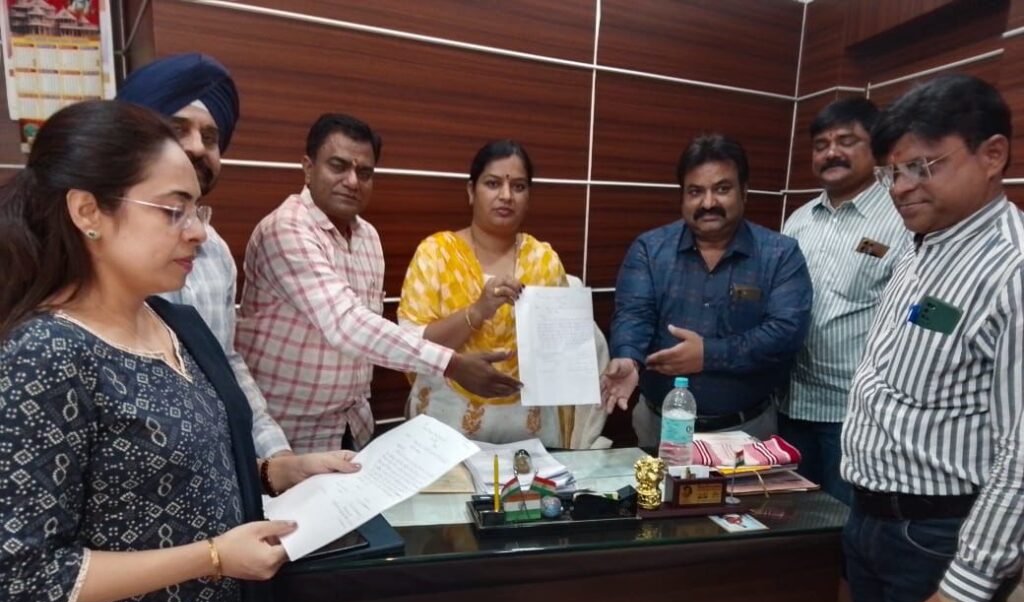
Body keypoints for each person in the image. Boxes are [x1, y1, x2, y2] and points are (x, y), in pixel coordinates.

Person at [0, 100, 356, 602]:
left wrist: (278, 470)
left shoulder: (173, 325)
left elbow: (167, 473)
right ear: (88, 212)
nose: (196, 232)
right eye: (172, 211)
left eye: (199, 210)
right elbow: (24, 573)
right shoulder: (48, 355)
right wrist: (213, 557)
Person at [842, 74, 1024, 602]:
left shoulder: (1012, 271)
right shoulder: (925, 244)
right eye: (893, 172)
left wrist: (963, 594)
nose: (902, 187)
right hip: (874, 524)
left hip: (939, 541)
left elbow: (1021, 455)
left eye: (924, 166)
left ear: (992, 154)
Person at [237, 114, 521, 452]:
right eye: (338, 166)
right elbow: (346, 324)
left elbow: (371, 333)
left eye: (365, 172)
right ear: (308, 168)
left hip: (351, 425)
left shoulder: (367, 237)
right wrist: (453, 364)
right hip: (286, 434)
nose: (352, 181)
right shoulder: (286, 229)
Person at [115, 52, 295, 460]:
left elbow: (225, 362)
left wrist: (275, 456)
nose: (197, 147)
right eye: (178, 129)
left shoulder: (214, 251)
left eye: (211, 137)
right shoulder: (100, 253)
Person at [602, 134, 813, 443]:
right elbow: (634, 315)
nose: (708, 203)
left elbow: (785, 333)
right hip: (659, 428)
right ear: (682, 197)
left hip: (746, 433)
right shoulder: (650, 249)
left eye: (722, 189)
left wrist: (708, 355)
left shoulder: (780, 254)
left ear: (744, 192)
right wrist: (628, 357)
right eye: (696, 192)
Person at [397, 140, 570, 444]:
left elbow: (564, 349)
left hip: (527, 429)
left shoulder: (544, 260)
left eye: (518, 187)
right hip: (445, 425)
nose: (506, 196)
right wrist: (477, 312)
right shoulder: (436, 254)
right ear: (470, 191)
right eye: (493, 183)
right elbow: (409, 347)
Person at [778, 98, 907, 505]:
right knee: (788, 519)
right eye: (821, 144)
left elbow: (918, 315)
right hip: (791, 404)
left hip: (854, 415)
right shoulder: (798, 220)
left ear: (877, 147)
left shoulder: (902, 219)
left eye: (846, 141)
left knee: (844, 525)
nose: (831, 152)